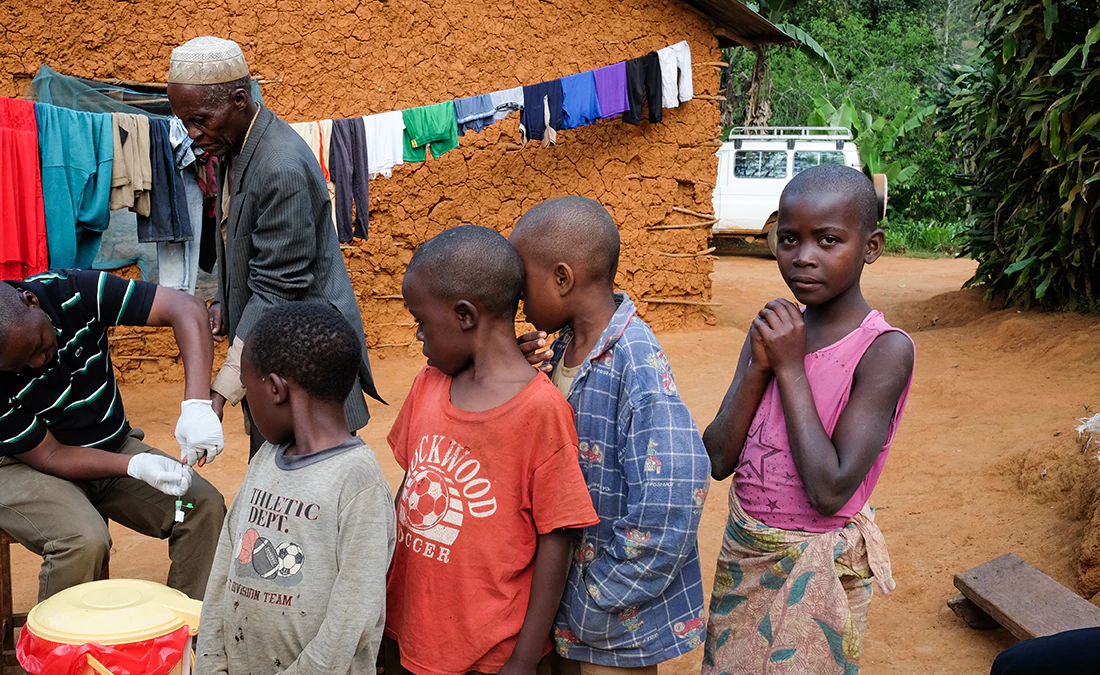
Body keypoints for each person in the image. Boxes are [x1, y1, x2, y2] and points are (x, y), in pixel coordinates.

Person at [700, 164, 915, 673]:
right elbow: (717, 457)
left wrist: (790, 366)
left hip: (820, 566)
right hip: (746, 552)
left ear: (871, 246)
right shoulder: (774, 333)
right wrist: (760, 365)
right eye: (789, 239)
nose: (803, 258)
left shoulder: (882, 351)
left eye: (828, 240)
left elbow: (830, 489)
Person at [383, 226, 599, 675]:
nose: (420, 336)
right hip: (412, 633)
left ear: (464, 315)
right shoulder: (428, 385)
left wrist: (524, 657)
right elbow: (409, 493)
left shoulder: (541, 410)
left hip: (490, 652)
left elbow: (556, 537)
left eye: (421, 321)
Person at [510, 197, 712, 674]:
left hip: (617, 623)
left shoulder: (635, 361)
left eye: (523, 287)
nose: (518, 301)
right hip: (568, 607)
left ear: (561, 279)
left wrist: (602, 591)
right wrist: (517, 378)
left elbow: (675, 497)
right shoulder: (561, 350)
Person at [0, 270, 226, 601]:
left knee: (202, 506)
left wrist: (196, 404)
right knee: (82, 540)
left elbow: (186, 307)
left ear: (32, 301)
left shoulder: (75, 293)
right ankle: (59, 651)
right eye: (19, 365)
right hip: (22, 467)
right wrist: (133, 466)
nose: (39, 361)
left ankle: (186, 637)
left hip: (111, 446)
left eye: (39, 343)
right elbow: (51, 456)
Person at [165, 36, 383, 458]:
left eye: (200, 120)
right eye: (184, 123)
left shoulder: (279, 166)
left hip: (309, 362)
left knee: (313, 482)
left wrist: (218, 394)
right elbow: (250, 247)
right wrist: (226, 302)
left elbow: (278, 287)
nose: (192, 135)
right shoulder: (238, 148)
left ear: (240, 99)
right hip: (278, 349)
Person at [196, 301, 395, 675]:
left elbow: (351, 620)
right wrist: (210, 662)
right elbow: (224, 565)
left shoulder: (358, 482)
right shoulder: (264, 461)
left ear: (274, 389)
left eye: (247, 390)